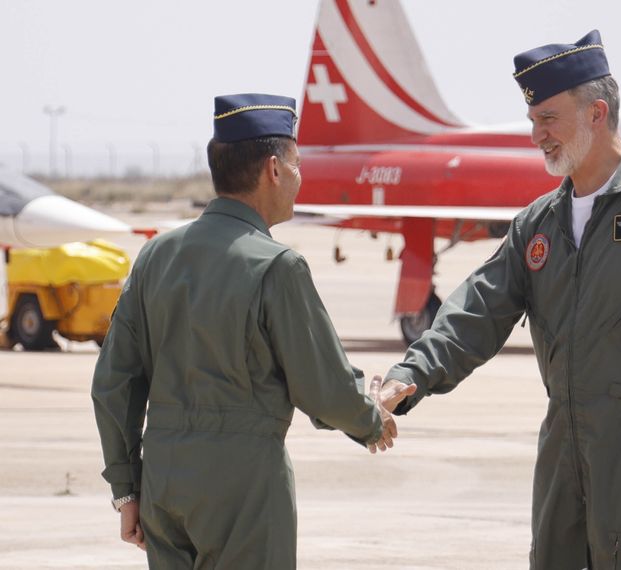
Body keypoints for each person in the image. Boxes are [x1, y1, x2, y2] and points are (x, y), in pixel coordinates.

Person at [380, 31, 621, 569]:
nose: (537, 136)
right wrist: (410, 374)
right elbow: (477, 310)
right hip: (563, 447)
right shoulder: (539, 222)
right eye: (533, 122)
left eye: (548, 119)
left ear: (597, 113)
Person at [91, 93, 415, 569]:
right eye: (297, 163)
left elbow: (113, 383)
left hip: (163, 484)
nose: (300, 178)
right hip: (242, 486)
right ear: (273, 169)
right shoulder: (277, 266)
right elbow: (321, 385)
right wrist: (370, 417)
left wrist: (125, 490)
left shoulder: (156, 255)